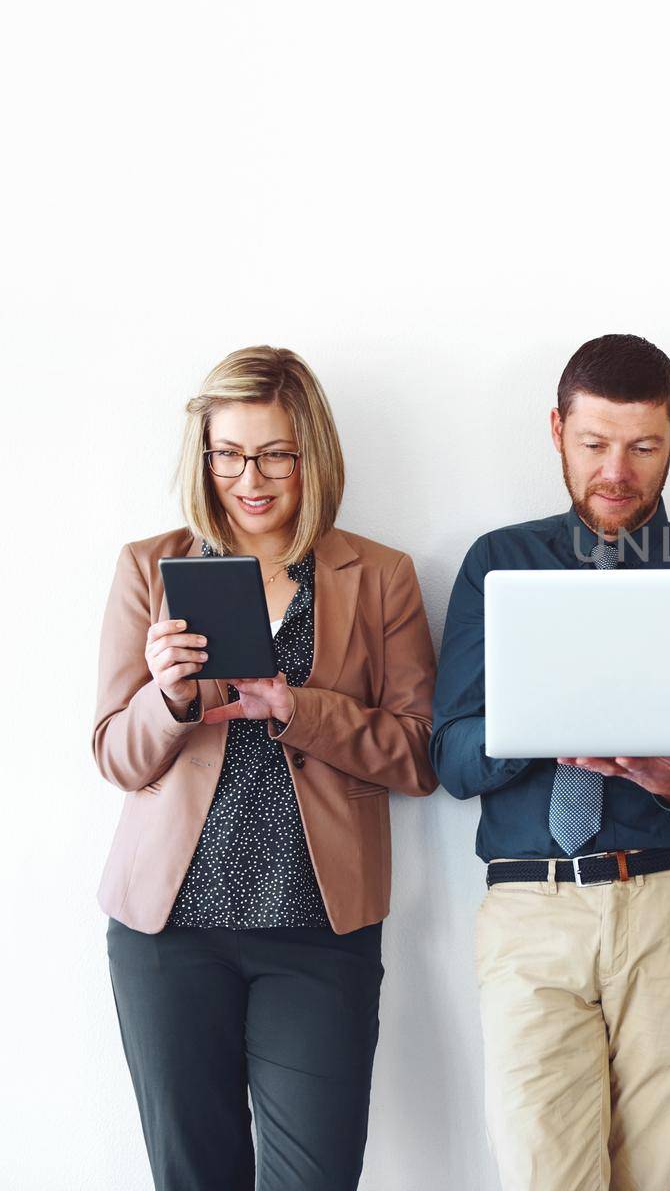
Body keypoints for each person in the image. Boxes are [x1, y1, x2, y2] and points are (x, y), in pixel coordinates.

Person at [431, 333, 670, 1191]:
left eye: (642, 446)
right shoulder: (497, 566)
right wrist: (539, 727)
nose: (616, 471)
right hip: (532, 909)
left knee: (656, 1178)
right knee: (543, 1175)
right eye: (593, 443)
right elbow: (450, 757)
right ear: (557, 430)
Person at [93, 345, 438, 1191]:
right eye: (230, 454)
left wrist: (301, 710)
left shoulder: (380, 576)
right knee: (195, 1177)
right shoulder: (152, 566)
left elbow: (421, 754)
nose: (251, 478)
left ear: (311, 453)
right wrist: (168, 698)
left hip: (317, 934)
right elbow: (111, 751)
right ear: (204, 456)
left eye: (276, 453)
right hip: (169, 934)